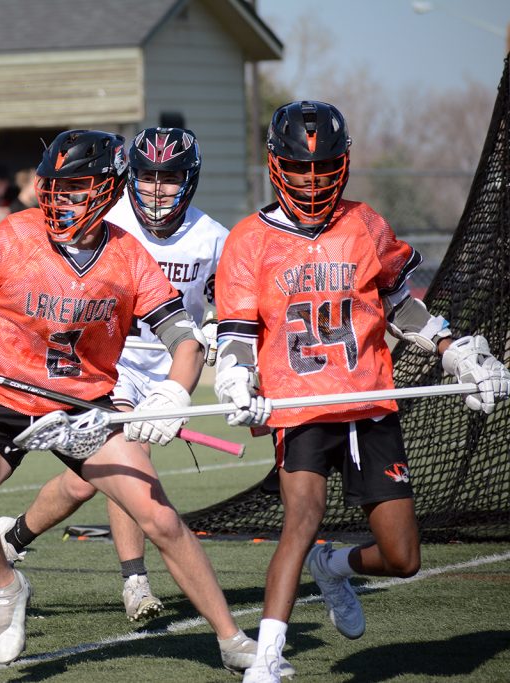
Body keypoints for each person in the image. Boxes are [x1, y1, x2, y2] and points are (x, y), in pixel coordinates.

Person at [0, 129, 263, 669]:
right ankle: (8, 584)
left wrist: (172, 392)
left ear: (107, 189)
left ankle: (232, 639)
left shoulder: (127, 257)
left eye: (76, 187)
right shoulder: (14, 236)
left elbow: (185, 341)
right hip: (0, 396)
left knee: (159, 517)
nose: (59, 199)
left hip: (84, 406)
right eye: (54, 186)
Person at [213, 100, 510, 683]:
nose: (312, 181)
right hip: (300, 406)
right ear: (278, 165)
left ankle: (336, 566)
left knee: (402, 558)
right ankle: (266, 661)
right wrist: (234, 375)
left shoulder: (364, 223)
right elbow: (238, 331)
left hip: (370, 402)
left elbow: (402, 303)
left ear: (343, 165)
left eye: (324, 169)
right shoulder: (250, 239)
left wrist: (455, 350)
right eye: (300, 169)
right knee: (303, 514)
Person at [0, 127, 236, 622]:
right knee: (129, 465)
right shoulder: (104, 221)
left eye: (170, 178)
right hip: (104, 366)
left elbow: (228, 312)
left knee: (82, 485)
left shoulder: (213, 239)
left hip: (168, 368)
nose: (158, 188)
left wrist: (221, 356)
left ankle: (14, 536)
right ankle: (135, 581)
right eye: (148, 177)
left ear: (190, 180)